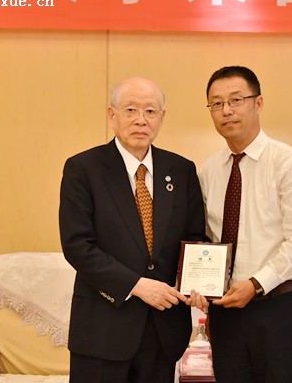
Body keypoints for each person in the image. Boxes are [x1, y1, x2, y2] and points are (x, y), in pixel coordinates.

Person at [59, 76, 207, 383]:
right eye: (130, 110)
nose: (141, 120)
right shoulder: (83, 169)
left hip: (163, 331)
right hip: (102, 331)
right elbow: (78, 246)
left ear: (162, 117)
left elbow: (195, 239)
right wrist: (137, 285)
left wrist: (201, 283)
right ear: (112, 115)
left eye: (150, 111)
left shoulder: (181, 170)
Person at [195, 66, 292, 383]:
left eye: (236, 100)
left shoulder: (290, 163)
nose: (226, 110)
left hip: (279, 309)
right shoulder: (209, 170)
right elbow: (206, 239)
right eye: (217, 103)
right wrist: (199, 283)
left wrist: (256, 283)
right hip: (226, 313)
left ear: (258, 103)